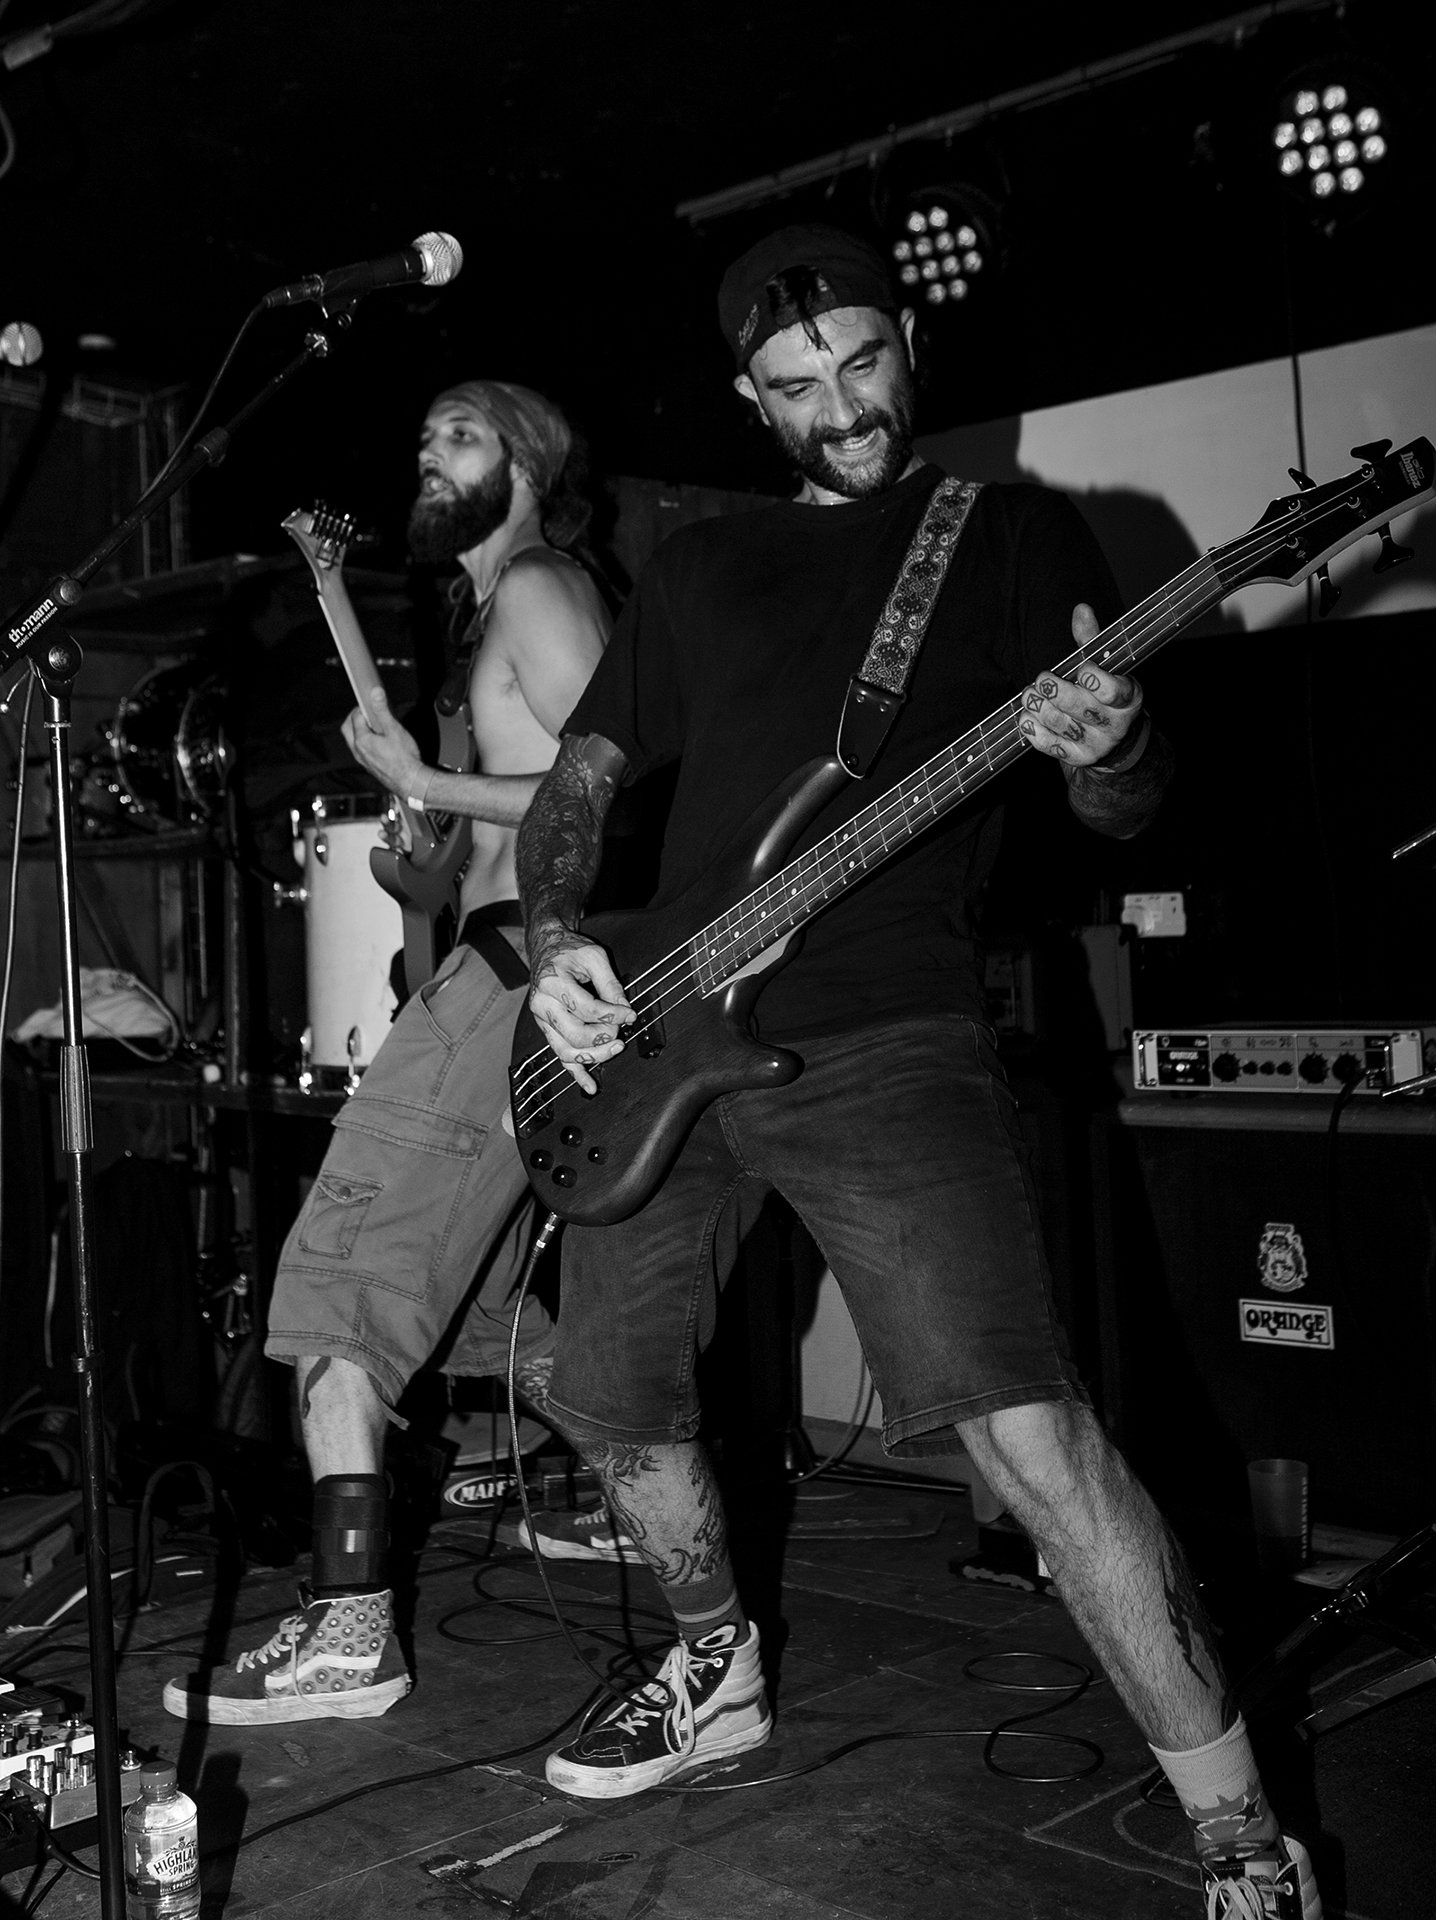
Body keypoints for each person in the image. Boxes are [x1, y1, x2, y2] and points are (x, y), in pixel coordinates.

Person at [513, 228, 1320, 1919]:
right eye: (797, 388)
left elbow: (1122, 803)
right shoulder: (700, 565)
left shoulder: (1008, 534)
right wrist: (562, 936)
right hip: (656, 1029)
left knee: (1027, 1441)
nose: (842, 408)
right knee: (607, 1396)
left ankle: (1244, 1840)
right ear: (751, 400)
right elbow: (583, 780)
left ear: (907, 346)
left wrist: (1113, 746)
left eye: (863, 363)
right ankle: (715, 1662)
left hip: (884, 1028)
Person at [164, 378, 626, 1727]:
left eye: (461, 434)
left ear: (528, 462)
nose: (430, 452)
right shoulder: (487, 616)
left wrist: (426, 786)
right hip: (497, 966)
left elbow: (618, 783)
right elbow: (496, 836)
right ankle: (659, 1523)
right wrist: (429, 843)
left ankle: (352, 1629)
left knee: (337, 1288)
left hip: (511, 979)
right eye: (424, 436)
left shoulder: (537, 584)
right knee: (494, 1321)